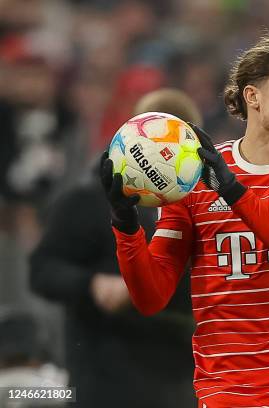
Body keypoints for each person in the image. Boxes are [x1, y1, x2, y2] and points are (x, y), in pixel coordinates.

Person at [101, 33, 269, 407]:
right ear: (252, 96)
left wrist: (234, 191)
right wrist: (125, 225)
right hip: (230, 395)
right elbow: (151, 296)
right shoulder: (192, 178)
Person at [29, 88, 201, 408]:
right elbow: (43, 269)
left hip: (178, 382)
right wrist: (91, 284)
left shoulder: (204, 209)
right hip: (104, 377)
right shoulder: (89, 199)